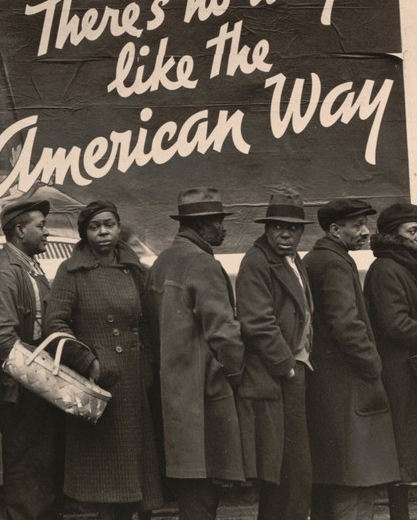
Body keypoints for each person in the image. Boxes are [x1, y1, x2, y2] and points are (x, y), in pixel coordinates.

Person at [44, 200, 163, 518]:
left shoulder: (134, 269)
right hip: (98, 388)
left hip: (134, 384)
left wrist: (147, 366)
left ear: (119, 226)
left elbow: (147, 325)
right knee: (106, 488)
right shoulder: (71, 272)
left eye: (109, 225)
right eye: (94, 227)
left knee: (131, 483)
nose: (103, 232)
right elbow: (55, 324)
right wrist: (88, 363)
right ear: (84, 234)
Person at [145, 188, 244, 520]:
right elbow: (224, 333)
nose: (223, 229)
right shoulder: (201, 263)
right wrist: (233, 373)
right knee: (204, 492)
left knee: (191, 486)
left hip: (174, 392)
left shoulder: (162, 262)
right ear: (203, 225)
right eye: (218, 222)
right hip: (205, 392)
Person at [303, 198, 400, 519]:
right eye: (357, 225)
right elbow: (346, 325)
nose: (365, 231)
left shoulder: (318, 258)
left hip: (330, 387)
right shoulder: (333, 263)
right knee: (356, 479)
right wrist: (374, 366)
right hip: (350, 389)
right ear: (335, 229)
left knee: (336, 477)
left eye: (365, 224)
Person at [0, 198, 64, 520]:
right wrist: (48, 380)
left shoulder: (30, 267)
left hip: (38, 388)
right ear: (19, 230)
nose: (47, 232)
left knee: (42, 473)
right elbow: (1, 339)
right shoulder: (3, 271)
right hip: (23, 392)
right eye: (40, 226)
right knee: (28, 475)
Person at [234, 191, 315, 520]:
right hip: (277, 375)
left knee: (288, 470)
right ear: (266, 229)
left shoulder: (293, 259)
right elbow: (256, 323)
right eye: (278, 227)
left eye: (293, 228)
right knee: (291, 470)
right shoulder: (256, 261)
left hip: (295, 367)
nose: (286, 234)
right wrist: (287, 367)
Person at [364, 202, 417, 520]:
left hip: (409, 368)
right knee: (401, 452)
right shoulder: (387, 269)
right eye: (412, 232)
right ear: (394, 237)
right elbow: (395, 324)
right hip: (400, 372)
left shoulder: (405, 265)